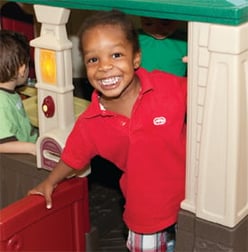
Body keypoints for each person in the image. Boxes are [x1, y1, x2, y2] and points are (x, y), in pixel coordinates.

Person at [28, 10, 187, 251]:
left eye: (116, 54)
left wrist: (202, 68)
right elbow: (72, 157)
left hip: (193, 202)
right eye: (93, 59)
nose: (104, 66)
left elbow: (213, 96)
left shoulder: (168, 87)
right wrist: (50, 182)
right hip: (146, 215)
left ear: (136, 58)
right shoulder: (91, 122)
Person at [0, 30, 37, 155]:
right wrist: (32, 148)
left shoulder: (9, 94)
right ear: (22, 69)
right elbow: (2, 144)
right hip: (19, 159)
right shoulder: (2, 102)